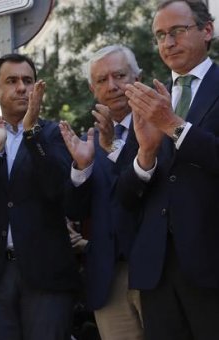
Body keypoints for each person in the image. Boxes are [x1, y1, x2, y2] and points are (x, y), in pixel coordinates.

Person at [118, 1, 219, 339]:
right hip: (157, 269)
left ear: (207, 30)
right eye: (160, 35)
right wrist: (145, 154)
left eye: (177, 31)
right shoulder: (151, 99)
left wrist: (174, 126)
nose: (168, 43)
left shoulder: (161, 109)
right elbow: (126, 195)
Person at [0, 54, 79, 340]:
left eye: (27, 81)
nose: (22, 87)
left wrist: (32, 135)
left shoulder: (56, 134)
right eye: (12, 81)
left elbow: (57, 189)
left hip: (46, 276)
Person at [59, 45, 144, 340]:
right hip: (107, 277)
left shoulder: (160, 128)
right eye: (102, 80)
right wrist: (80, 169)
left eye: (120, 75)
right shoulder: (87, 143)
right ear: (92, 89)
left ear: (138, 77)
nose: (112, 86)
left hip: (158, 273)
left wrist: (115, 149)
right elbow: (74, 210)